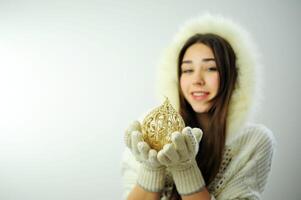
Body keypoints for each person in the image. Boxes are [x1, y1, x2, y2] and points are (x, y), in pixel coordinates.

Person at [121, 13, 275, 200]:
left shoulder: (254, 141)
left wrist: (185, 168)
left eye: (211, 68)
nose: (197, 80)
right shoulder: (148, 129)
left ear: (232, 75)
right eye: (187, 70)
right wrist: (151, 168)